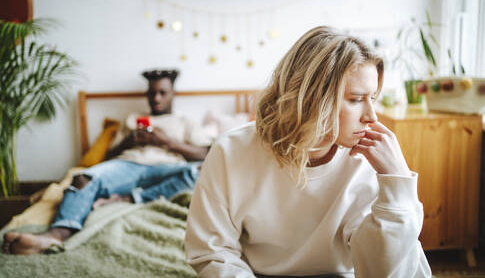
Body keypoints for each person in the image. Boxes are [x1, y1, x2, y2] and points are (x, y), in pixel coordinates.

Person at [185, 26, 432, 277]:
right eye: (357, 100)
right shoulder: (230, 151)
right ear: (313, 98)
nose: (371, 116)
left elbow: (386, 269)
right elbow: (214, 253)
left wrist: (397, 183)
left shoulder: (369, 160)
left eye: (373, 98)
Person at [3, 69, 211, 255]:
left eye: (162, 92)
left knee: (202, 171)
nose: (156, 98)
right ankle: (55, 235)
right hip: (128, 166)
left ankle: (129, 198)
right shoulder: (131, 119)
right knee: (83, 178)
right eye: (151, 92)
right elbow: (108, 157)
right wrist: (128, 141)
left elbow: (205, 153)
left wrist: (168, 142)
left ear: (173, 93)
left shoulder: (186, 122)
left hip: (169, 169)